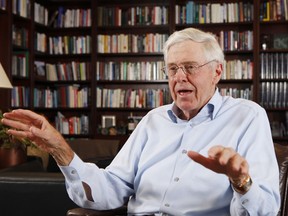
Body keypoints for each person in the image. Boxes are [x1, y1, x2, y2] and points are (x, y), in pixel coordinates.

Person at [1, 27, 280, 215]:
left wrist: (240, 180)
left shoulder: (247, 116)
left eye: (190, 68)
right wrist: (60, 149)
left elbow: (267, 208)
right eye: (172, 69)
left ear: (217, 71)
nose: (179, 77)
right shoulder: (152, 121)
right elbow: (108, 190)